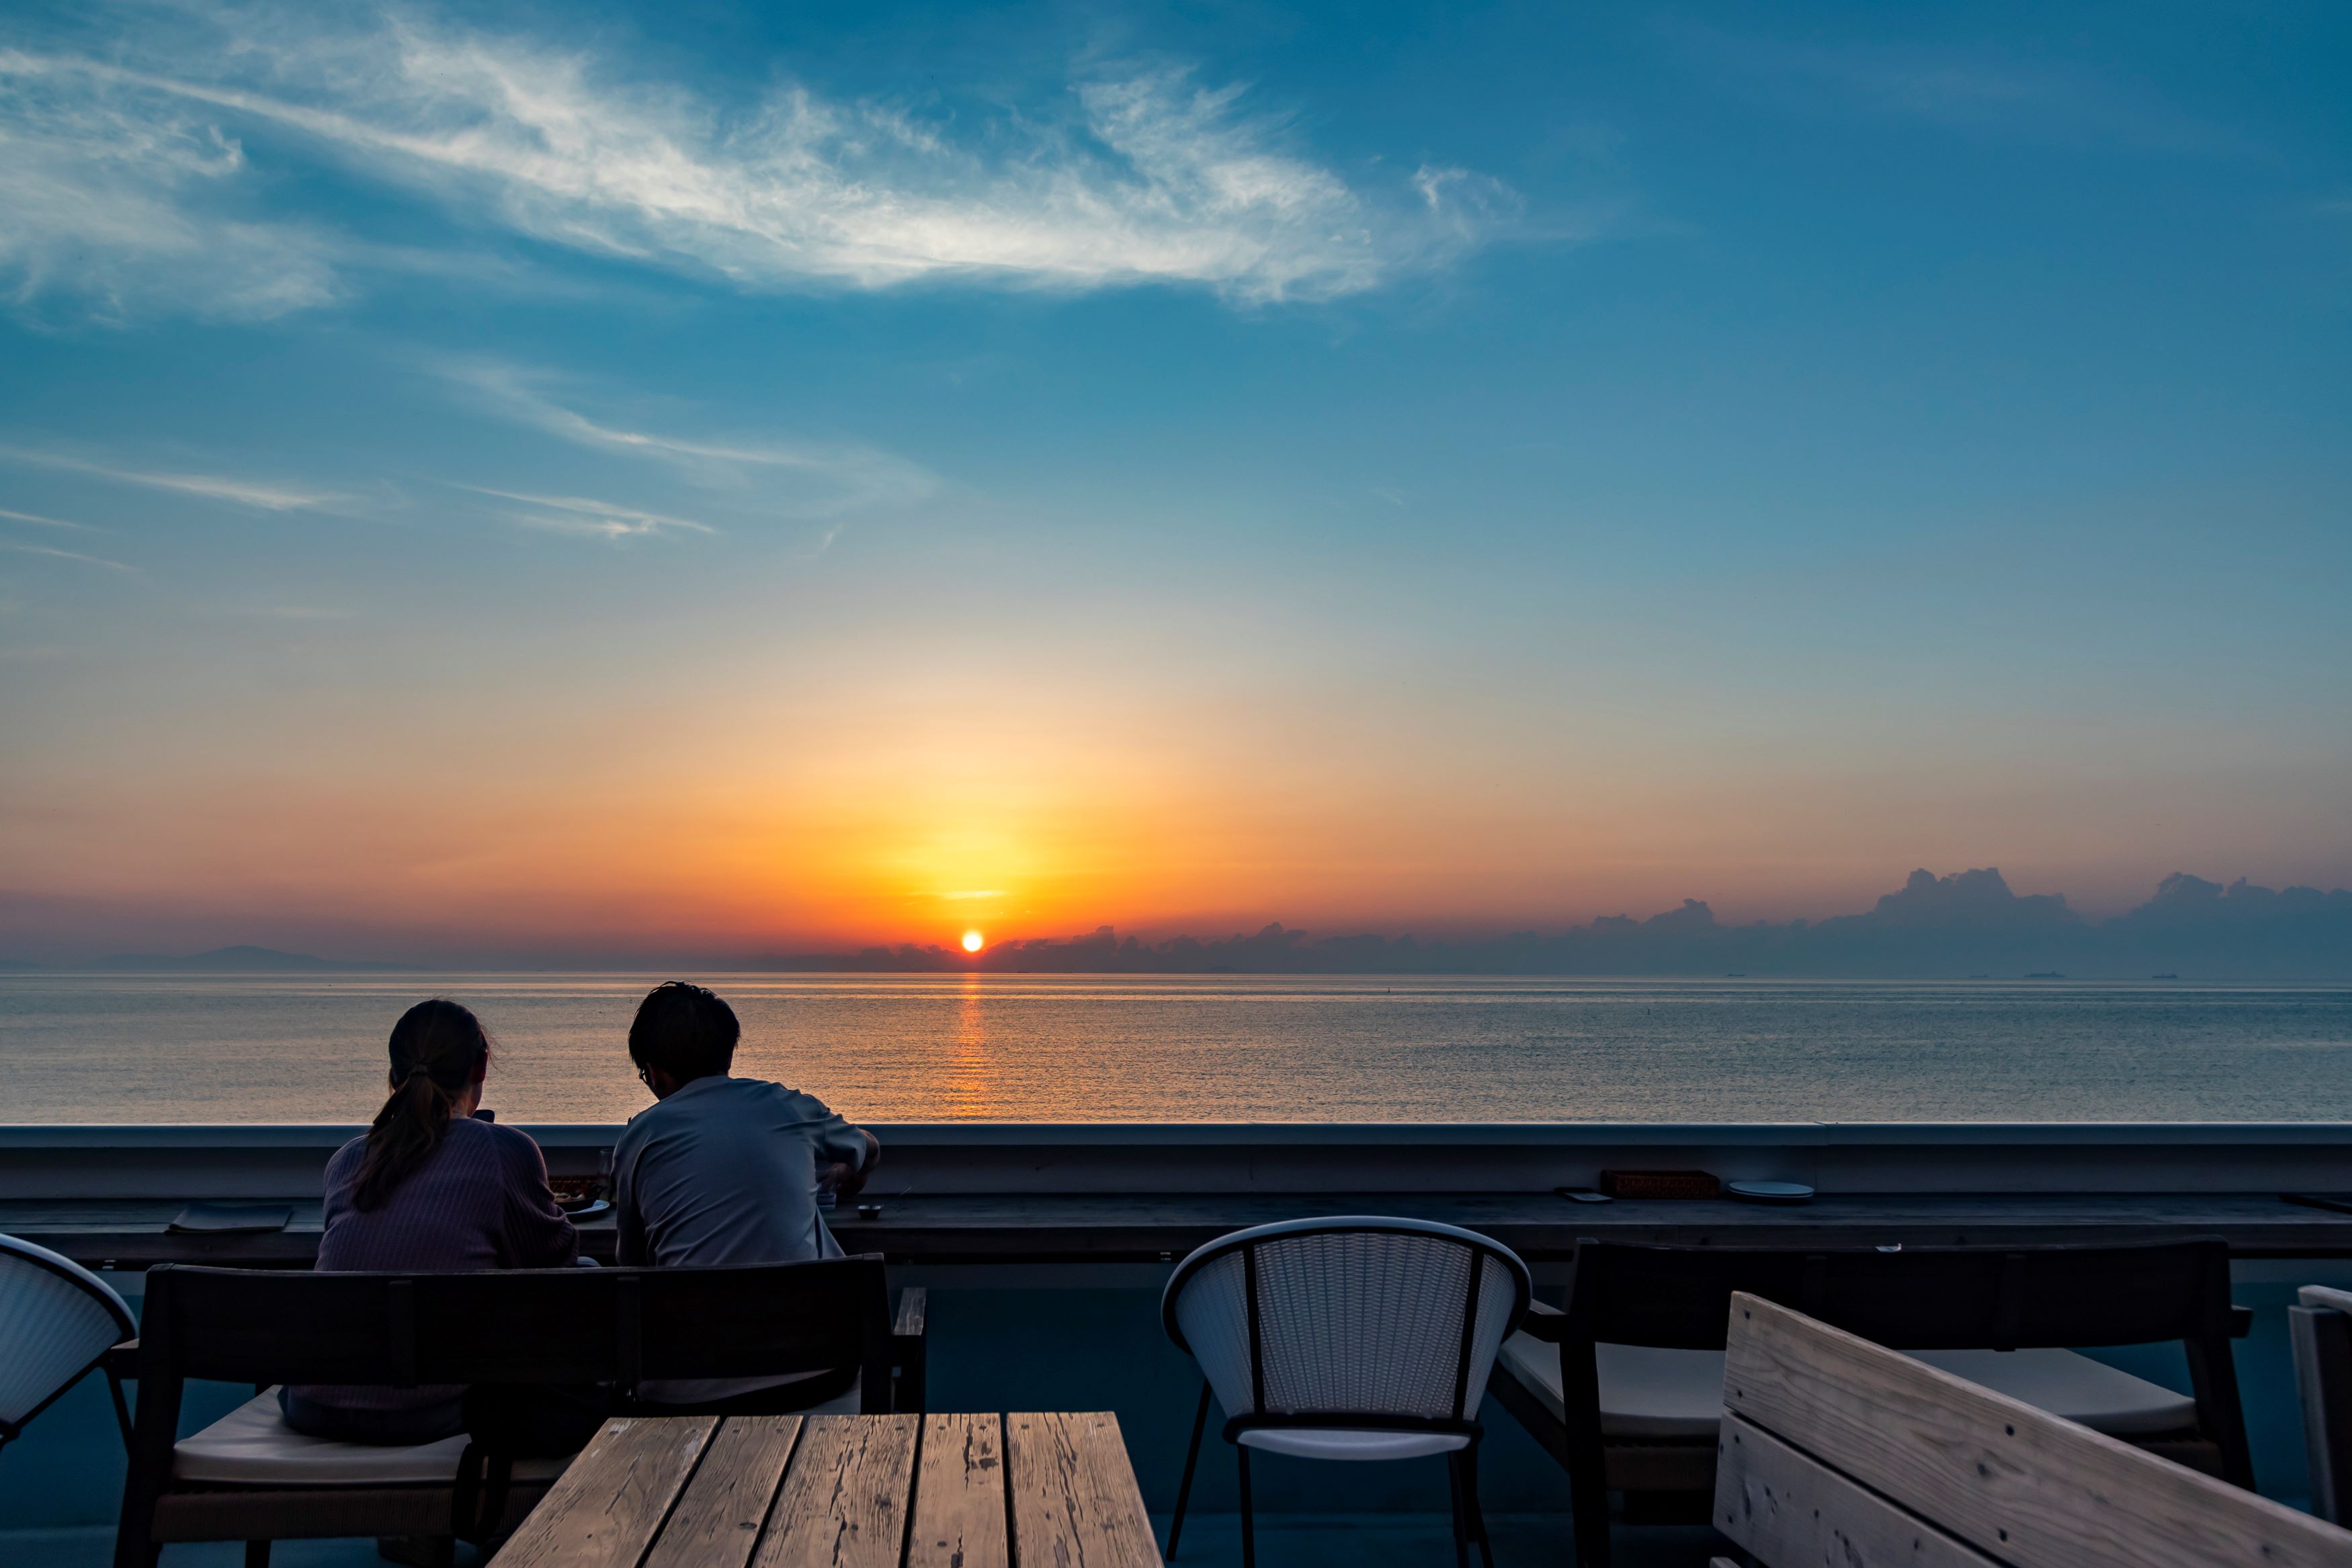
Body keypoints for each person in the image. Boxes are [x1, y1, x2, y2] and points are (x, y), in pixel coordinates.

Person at [282, 999, 579, 1444]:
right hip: (435, 1412)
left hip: (312, 1408)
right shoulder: (501, 1150)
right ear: (480, 1067)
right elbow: (557, 1270)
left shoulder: (347, 1161)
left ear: (393, 1075)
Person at [613, 981, 880, 1406]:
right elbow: (869, 1148)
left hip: (688, 1392)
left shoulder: (640, 1136)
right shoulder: (785, 1106)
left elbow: (632, 1266)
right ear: (729, 1054)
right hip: (816, 1376)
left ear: (657, 1073)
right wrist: (848, 1173)